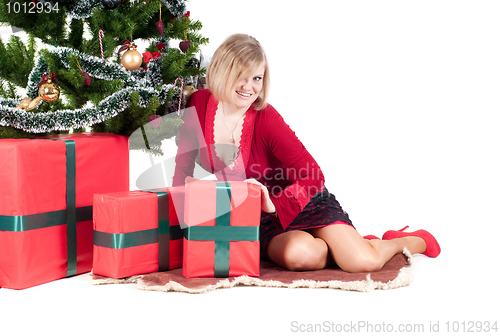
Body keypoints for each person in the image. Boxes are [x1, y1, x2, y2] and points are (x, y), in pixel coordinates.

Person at [173, 34, 440, 273]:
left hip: (303, 203)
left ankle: (403, 240)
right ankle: (339, 245)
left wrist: (274, 204)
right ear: (222, 72)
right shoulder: (198, 104)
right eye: (241, 76)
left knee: (364, 263)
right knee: (303, 255)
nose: (249, 87)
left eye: (257, 78)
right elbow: (182, 171)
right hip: (257, 218)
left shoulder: (265, 117)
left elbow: (314, 175)